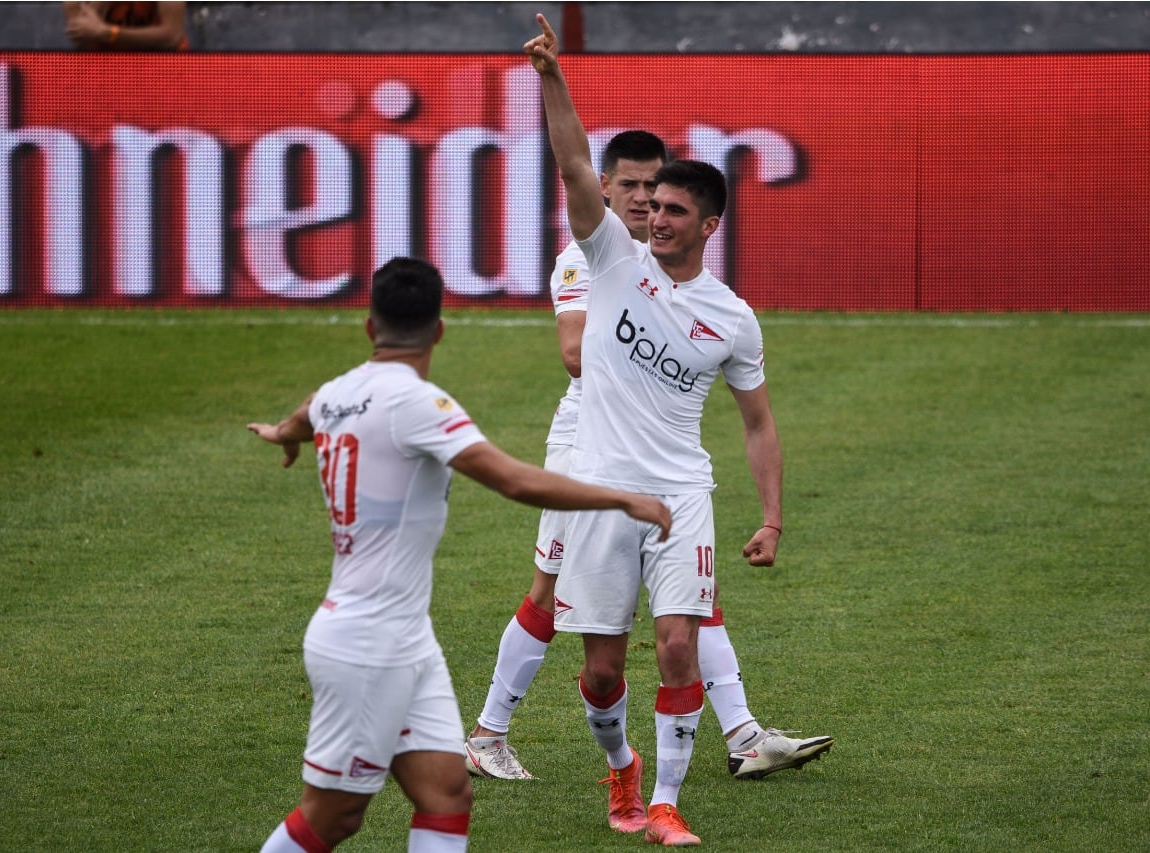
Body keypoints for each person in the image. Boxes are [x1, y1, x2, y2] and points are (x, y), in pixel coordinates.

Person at [523, 13, 832, 846]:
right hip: (599, 489)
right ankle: (620, 766)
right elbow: (574, 165)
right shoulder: (610, 260)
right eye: (651, 205)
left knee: (674, 650)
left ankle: (663, 802)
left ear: (708, 225)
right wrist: (552, 78)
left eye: (671, 210)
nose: (654, 218)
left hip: (681, 495)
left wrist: (772, 517)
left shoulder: (732, 318)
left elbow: (758, 421)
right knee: (601, 672)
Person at [249, 256, 673, 853]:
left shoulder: (338, 393)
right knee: (333, 817)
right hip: (368, 641)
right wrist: (622, 497)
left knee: (447, 794)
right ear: (440, 330)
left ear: (370, 327)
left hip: (403, 637)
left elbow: (305, 414)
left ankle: (485, 738)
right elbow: (515, 482)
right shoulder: (419, 405)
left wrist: (282, 433)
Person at [465, 129, 668, 781]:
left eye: (653, 184)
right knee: (549, 591)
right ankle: (488, 733)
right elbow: (575, 355)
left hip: (650, 444)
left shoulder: (667, 256)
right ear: (603, 185)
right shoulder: (585, 256)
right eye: (629, 184)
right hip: (588, 445)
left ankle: (745, 732)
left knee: (689, 591)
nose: (643, 197)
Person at [64, 1, 188, 51]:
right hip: (107, 65)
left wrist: (110, 34)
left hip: (161, 63)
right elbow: (81, 39)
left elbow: (171, 37)